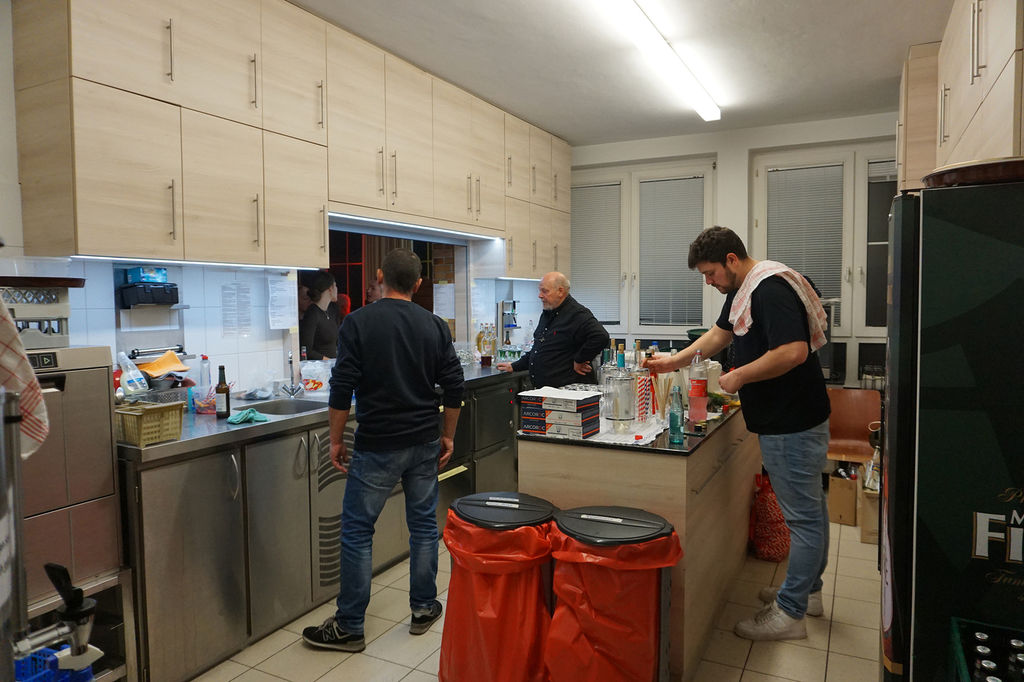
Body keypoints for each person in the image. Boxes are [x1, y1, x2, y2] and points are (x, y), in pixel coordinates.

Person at [645, 226, 831, 642]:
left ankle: (791, 613)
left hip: (793, 422)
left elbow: (793, 351)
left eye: (710, 273)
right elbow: (718, 335)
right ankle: (808, 592)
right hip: (788, 418)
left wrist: (739, 376)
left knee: (804, 519)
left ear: (731, 259)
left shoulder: (768, 289)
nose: (708, 282)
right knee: (811, 512)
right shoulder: (743, 290)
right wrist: (672, 362)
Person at [303, 249, 464, 652]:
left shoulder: (358, 322)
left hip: (378, 443)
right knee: (424, 525)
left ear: (379, 276)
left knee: (358, 531)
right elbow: (454, 385)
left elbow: (341, 387)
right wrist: (448, 435)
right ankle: (424, 608)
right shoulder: (434, 325)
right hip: (424, 440)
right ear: (418, 284)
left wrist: (335, 440)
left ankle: (349, 626)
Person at [497, 272, 609, 388]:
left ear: (560, 291)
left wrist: (579, 359)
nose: (540, 295)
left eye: (544, 291)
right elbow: (540, 349)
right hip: (547, 391)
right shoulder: (548, 313)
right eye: (540, 291)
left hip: (568, 391)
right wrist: (514, 366)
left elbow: (601, 336)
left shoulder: (576, 314)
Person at [299, 271, 339, 360]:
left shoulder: (333, 310)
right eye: (335, 285)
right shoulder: (313, 313)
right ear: (330, 288)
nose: (337, 289)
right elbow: (306, 349)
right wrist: (328, 361)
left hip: (331, 364)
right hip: (319, 366)